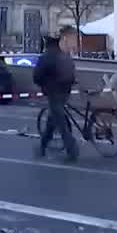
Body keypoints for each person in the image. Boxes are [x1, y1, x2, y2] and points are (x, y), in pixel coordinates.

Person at [33, 29, 78, 160]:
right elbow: (38, 75)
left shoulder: (54, 55)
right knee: (57, 122)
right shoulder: (56, 55)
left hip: (58, 92)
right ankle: (68, 149)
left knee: (56, 123)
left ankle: (46, 146)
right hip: (60, 92)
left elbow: (37, 76)